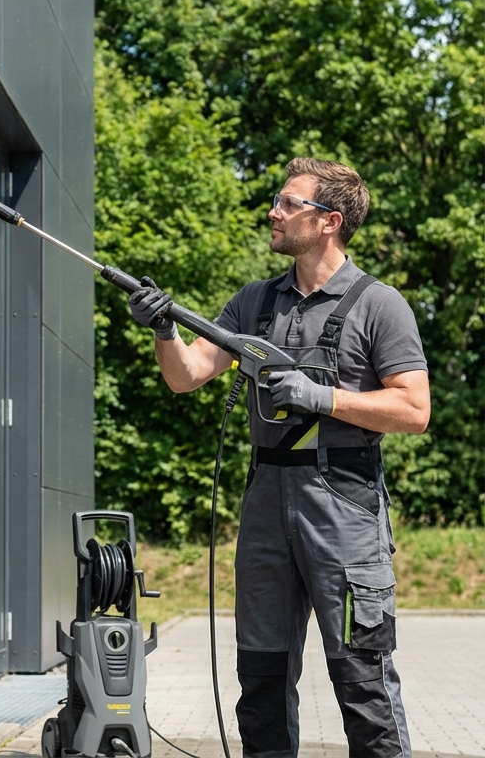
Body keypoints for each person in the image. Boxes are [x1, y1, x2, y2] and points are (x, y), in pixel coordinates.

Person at [129, 157, 429, 758]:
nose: (275, 211)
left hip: (343, 504)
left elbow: (414, 411)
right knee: (261, 681)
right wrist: (163, 330)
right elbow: (187, 377)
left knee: (362, 678)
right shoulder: (255, 303)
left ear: (329, 221)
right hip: (266, 504)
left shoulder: (379, 304)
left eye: (290, 203)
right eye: (278, 200)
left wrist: (324, 397)